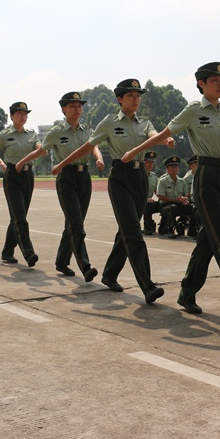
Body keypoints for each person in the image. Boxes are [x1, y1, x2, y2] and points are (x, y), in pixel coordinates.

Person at [122, 63, 220, 324]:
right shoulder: (194, 110)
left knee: (208, 239)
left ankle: (187, 292)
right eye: (214, 80)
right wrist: (135, 151)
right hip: (206, 178)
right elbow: (166, 133)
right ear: (201, 84)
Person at [54, 79, 165, 304]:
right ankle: (148, 285)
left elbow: (154, 135)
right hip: (120, 178)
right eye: (131, 95)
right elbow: (87, 146)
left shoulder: (144, 122)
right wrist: (61, 164)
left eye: (138, 95)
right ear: (119, 99)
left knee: (126, 230)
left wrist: (165, 138)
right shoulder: (109, 122)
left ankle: (109, 274)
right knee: (133, 231)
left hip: (140, 178)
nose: (136, 99)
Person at [17, 92, 102, 282]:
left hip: (84, 177)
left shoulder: (87, 130)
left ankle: (62, 261)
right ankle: (85, 265)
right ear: (63, 109)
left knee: (72, 224)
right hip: (66, 179)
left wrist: (99, 158)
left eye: (79, 106)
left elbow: (93, 145)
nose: (77, 109)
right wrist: (23, 160)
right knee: (76, 225)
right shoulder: (56, 132)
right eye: (72, 106)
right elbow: (41, 150)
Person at [0, 102, 40, 267]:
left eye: (25, 113)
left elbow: (41, 149)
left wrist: (26, 159)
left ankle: (7, 251)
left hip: (28, 176)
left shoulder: (32, 134)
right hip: (13, 176)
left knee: (18, 216)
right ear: (12, 116)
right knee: (20, 217)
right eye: (19, 113)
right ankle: (28, 252)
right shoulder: (4, 135)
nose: (23, 116)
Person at [157, 155, 192, 238]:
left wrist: (184, 199)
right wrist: (175, 200)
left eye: (176, 167)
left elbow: (186, 193)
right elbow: (160, 196)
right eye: (172, 167)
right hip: (165, 205)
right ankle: (171, 228)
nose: (175, 169)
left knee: (191, 207)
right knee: (173, 207)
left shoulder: (182, 181)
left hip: (179, 204)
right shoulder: (163, 181)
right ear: (167, 169)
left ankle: (191, 227)